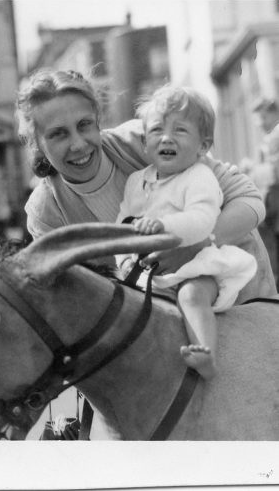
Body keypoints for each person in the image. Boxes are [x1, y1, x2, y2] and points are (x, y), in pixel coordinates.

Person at [16, 68, 276, 304]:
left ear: (97, 120)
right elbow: (75, 299)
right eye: (58, 134)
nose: (78, 144)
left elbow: (249, 200)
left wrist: (193, 246)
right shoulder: (45, 213)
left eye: (84, 125)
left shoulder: (145, 140)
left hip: (242, 293)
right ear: (37, 142)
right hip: (162, 328)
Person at [115, 86, 257, 379]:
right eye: (156, 130)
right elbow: (123, 223)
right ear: (145, 143)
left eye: (180, 130)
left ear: (202, 146)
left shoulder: (198, 176)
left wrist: (164, 227)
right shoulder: (135, 182)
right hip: (152, 272)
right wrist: (124, 256)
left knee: (192, 296)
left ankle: (206, 355)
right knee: (128, 306)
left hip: (197, 265)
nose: (166, 137)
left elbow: (202, 220)